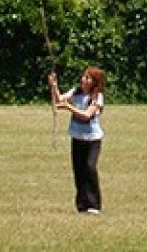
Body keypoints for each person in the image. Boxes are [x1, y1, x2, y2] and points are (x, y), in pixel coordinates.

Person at [50, 66, 106, 214]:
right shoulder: (76, 92)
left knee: (90, 168)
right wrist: (54, 86)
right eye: (83, 77)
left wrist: (69, 107)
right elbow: (59, 99)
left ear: (94, 82)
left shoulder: (97, 97)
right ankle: (82, 205)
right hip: (77, 138)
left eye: (88, 78)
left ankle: (94, 205)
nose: (83, 80)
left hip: (92, 140)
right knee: (79, 171)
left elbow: (87, 115)